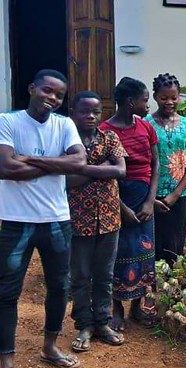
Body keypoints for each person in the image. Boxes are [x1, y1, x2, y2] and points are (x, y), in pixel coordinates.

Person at [0, 69, 87, 368]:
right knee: (7, 293)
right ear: (31, 88)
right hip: (15, 221)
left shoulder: (65, 125)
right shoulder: (7, 122)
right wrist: (56, 163)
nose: (52, 98)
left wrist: (30, 160)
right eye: (47, 91)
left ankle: (50, 345)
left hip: (56, 220)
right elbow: (6, 168)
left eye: (59, 95)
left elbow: (79, 162)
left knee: (59, 286)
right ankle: (7, 364)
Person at [66, 91, 127, 352]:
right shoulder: (66, 142)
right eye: (85, 111)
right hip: (78, 219)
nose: (91, 116)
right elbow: (67, 180)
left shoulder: (109, 137)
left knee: (105, 274)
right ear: (73, 112)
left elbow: (121, 170)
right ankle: (84, 325)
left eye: (96, 112)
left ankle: (103, 322)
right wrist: (102, 169)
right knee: (80, 275)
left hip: (110, 218)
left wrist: (84, 169)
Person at [100, 77, 159, 332]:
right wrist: (121, 208)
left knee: (144, 252)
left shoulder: (146, 128)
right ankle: (116, 310)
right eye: (145, 100)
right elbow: (105, 174)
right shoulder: (105, 130)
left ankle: (137, 307)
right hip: (117, 197)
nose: (148, 105)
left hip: (144, 198)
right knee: (119, 253)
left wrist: (149, 202)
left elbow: (156, 164)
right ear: (130, 102)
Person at [144, 73, 186, 263]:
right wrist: (151, 197)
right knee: (153, 243)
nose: (169, 102)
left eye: (174, 98)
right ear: (155, 96)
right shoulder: (146, 124)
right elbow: (144, 162)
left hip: (178, 196)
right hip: (151, 195)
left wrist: (175, 194)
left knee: (175, 246)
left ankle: (172, 288)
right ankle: (152, 287)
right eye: (164, 98)